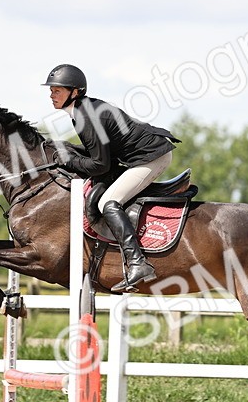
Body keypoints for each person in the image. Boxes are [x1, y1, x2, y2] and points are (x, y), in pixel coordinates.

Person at [42, 64, 179, 292]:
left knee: (108, 203)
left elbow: (100, 164)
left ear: (75, 92)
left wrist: (69, 161)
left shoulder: (85, 116)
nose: (51, 95)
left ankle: (138, 262)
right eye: (51, 90)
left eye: (57, 90)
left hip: (151, 158)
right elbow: (100, 154)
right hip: (138, 156)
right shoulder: (82, 110)